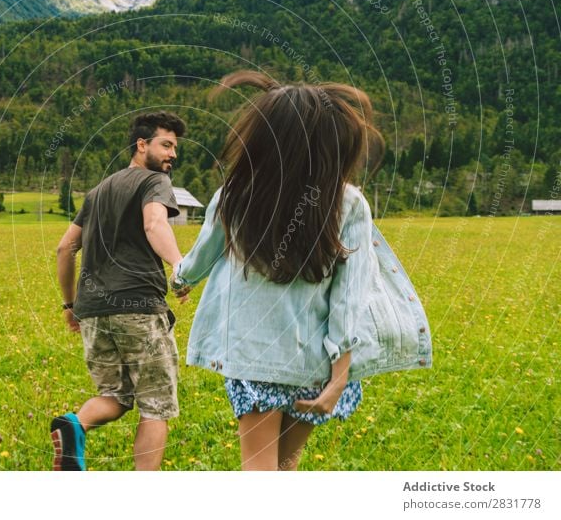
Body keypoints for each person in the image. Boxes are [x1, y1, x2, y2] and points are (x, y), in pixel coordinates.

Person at [172, 71, 431, 471]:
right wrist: (340, 376)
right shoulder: (347, 202)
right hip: (313, 361)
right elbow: (349, 300)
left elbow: (201, 255)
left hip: (252, 355)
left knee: (258, 470)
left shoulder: (236, 193)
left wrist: (181, 279)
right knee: (286, 466)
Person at [52, 111, 188, 471]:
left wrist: (70, 305)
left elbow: (65, 249)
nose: (172, 154)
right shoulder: (154, 181)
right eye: (166, 145)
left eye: (175, 147)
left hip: (94, 311)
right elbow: (155, 223)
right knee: (155, 405)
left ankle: (73, 425)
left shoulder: (97, 192)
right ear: (141, 145)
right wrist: (180, 266)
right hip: (139, 308)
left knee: (114, 396)